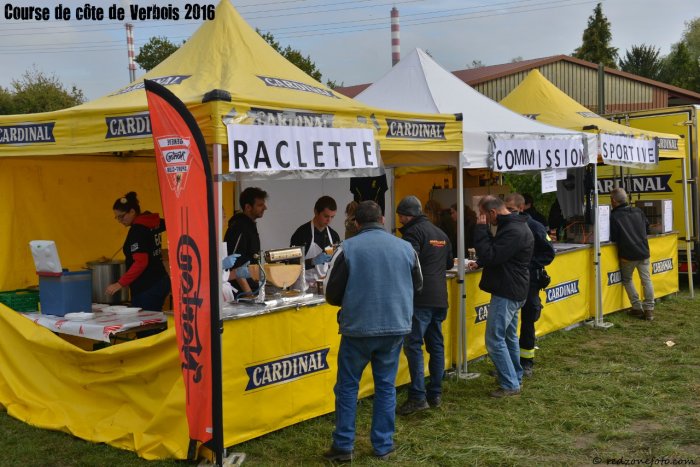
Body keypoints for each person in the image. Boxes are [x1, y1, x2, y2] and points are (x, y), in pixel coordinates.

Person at [322, 201, 422, 462]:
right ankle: (383, 444)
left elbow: (331, 293)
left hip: (358, 328)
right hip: (394, 325)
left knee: (347, 387)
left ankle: (343, 445)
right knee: (386, 386)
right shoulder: (406, 247)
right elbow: (417, 284)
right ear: (383, 219)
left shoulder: (347, 249)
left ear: (356, 223)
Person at [468, 196, 533, 398]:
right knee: (509, 337)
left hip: (507, 291)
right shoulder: (515, 226)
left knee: (494, 340)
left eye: (483, 216)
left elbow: (491, 255)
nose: (483, 219)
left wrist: (480, 230)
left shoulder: (512, 230)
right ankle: (515, 376)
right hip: (514, 288)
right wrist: (481, 262)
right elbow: (499, 253)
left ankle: (510, 383)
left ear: (492, 213)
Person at [394, 196, 453, 415]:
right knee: (436, 345)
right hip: (440, 298)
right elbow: (449, 263)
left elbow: (409, 262)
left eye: (400, 216)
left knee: (414, 346)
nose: (400, 220)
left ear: (406, 216)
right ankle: (435, 393)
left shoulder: (412, 233)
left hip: (420, 299)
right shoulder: (441, 234)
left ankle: (418, 396)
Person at [504, 193, 555, 378]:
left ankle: (526, 362)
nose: (508, 213)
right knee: (508, 324)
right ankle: (509, 363)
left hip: (530, 280)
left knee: (527, 320)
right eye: (506, 209)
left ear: (522, 208)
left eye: (511, 210)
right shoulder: (505, 226)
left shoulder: (535, 226)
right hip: (510, 280)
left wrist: (528, 265)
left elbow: (549, 253)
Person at [106, 191, 170, 311]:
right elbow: (169, 223)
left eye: (121, 216)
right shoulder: (151, 222)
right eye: (117, 217)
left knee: (146, 321)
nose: (120, 220)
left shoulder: (138, 230)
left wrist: (120, 283)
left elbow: (141, 262)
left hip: (146, 287)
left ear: (132, 211)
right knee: (156, 319)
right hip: (161, 280)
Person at [610, 187, 655, 320]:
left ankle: (636, 307)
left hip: (628, 255)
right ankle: (649, 310)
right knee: (646, 280)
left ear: (614, 201)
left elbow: (613, 237)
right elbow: (648, 229)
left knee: (627, 280)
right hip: (643, 252)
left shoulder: (614, 216)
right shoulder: (638, 211)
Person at [224, 187, 268, 297]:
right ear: (248, 207)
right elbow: (235, 266)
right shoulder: (239, 227)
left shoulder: (250, 225)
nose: (265, 208)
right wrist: (249, 295)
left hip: (253, 288)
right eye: (260, 205)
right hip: (241, 293)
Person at [289, 196, 341, 287]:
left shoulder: (333, 236)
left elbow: (335, 262)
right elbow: (292, 263)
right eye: (326, 216)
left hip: (323, 284)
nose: (329, 220)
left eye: (332, 217)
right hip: (302, 284)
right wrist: (312, 262)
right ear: (316, 212)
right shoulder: (301, 234)